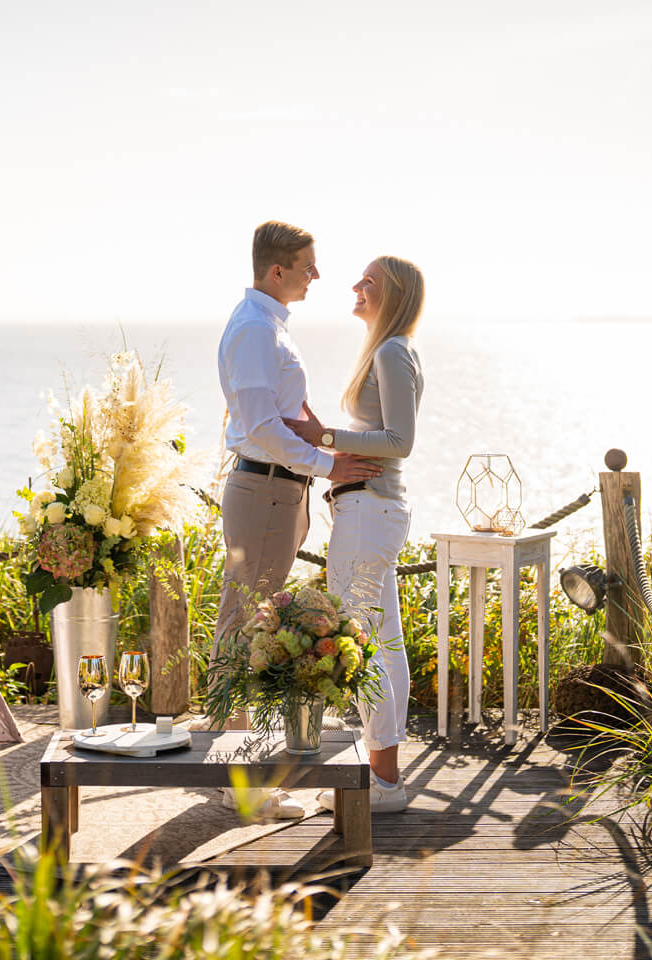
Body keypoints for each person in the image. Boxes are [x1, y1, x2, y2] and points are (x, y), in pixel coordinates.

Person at [214, 221, 382, 819]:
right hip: (265, 490)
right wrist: (330, 465)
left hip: (277, 491)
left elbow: (289, 415)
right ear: (277, 269)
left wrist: (327, 446)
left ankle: (235, 769)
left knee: (248, 626)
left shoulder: (268, 325)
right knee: (244, 631)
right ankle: (241, 783)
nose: (317, 275)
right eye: (308, 265)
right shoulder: (256, 329)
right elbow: (263, 428)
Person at [283, 255, 425, 814]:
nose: (356, 286)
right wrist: (332, 442)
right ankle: (384, 778)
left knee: (361, 642)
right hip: (371, 510)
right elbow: (384, 435)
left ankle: (383, 784)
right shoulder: (389, 349)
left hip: (369, 512)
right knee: (383, 643)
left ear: (395, 294)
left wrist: (325, 436)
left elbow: (400, 441)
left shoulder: (391, 351)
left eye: (370, 281)